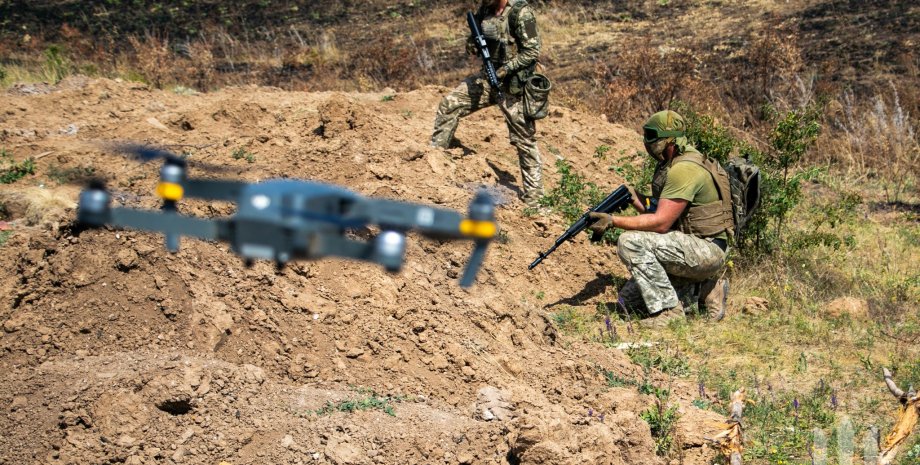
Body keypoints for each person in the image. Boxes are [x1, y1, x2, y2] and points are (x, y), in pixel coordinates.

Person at [588, 110, 732, 327]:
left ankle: (670, 312)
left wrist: (613, 220)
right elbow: (662, 212)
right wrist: (636, 199)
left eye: (652, 136)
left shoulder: (683, 170)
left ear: (669, 140)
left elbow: (661, 223)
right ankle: (705, 290)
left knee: (630, 242)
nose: (648, 142)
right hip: (693, 246)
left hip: (706, 250)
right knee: (627, 303)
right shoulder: (679, 161)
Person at [431, 0, 544, 208]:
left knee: (524, 140)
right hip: (487, 77)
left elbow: (531, 52)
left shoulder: (520, 12)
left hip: (513, 85)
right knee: (450, 105)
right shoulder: (486, 9)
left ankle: (535, 200)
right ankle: (435, 159)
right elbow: (480, 39)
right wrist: (472, 43)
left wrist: (504, 70)